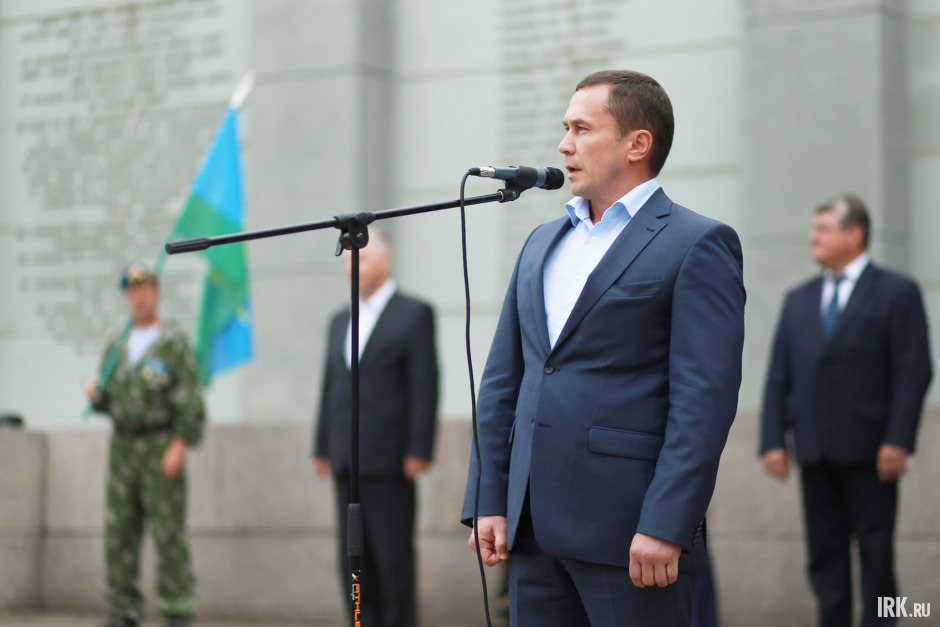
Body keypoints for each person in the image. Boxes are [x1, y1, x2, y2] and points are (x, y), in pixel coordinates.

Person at [461, 69, 746, 626]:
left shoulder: (697, 243)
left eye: (582, 129)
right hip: (530, 533)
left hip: (631, 536)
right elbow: (503, 382)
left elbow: (704, 402)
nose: (563, 145)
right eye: (565, 128)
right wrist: (488, 497)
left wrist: (666, 523)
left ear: (637, 144)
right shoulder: (541, 242)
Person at [760, 195, 932, 627]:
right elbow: (779, 375)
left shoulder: (897, 292)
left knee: (877, 555)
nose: (812, 237)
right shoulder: (798, 299)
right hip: (815, 452)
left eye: (823, 228)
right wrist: (772, 440)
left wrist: (898, 440)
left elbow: (914, 371)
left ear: (854, 234)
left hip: (873, 454)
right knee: (824, 557)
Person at [312, 231, 439, 627]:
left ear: (385, 261)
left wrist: (418, 448)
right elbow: (331, 384)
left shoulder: (413, 314)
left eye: (360, 259)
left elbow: (424, 384)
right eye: (346, 262)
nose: (350, 268)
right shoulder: (340, 319)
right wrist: (322, 445)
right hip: (345, 461)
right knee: (352, 560)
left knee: (392, 557)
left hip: (390, 460)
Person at [86, 261, 205, 627]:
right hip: (123, 448)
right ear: (127, 296)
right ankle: (123, 608)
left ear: (157, 293)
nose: (139, 297)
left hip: (160, 443)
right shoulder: (117, 345)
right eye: (133, 291)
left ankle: (177, 608)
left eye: (145, 289)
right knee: (120, 530)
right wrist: (96, 396)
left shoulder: (172, 343)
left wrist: (180, 444)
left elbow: (190, 400)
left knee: (168, 531)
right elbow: (110, 399)